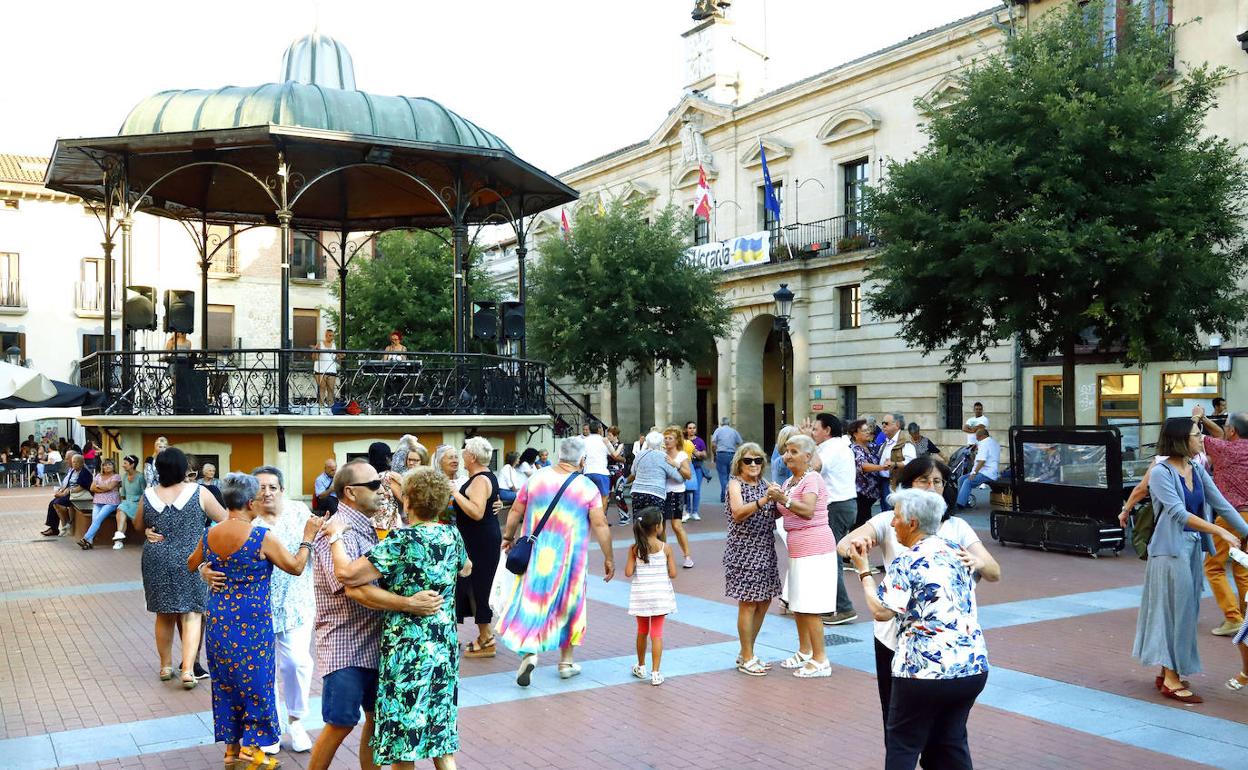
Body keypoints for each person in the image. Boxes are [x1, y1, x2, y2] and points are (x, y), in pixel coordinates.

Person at [839, 456, 1000, 731]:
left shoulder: (956, 527)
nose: (931, 487)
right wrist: (859, 541)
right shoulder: (893, 520)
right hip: (893, 638)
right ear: (908, 485)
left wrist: (979, 562)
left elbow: (994, 572)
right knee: (896, 720)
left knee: (942, 731)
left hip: (943, 643)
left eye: (937, 481)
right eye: (924, 481)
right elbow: (844, 545)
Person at [306, 459, 446, 770]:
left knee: (376, 721)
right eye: (373, 485)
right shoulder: (337, 531)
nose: (382, 491)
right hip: (346, 645)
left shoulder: (367, 527)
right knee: (341, 721)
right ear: (351, 492)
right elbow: (354, 588)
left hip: (376, 644)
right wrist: (410, 603)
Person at [188, 472, 322, 770]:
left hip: (220, 620)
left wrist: (207, 568)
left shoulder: (210, 533)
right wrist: (308, 538)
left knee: (227, 685)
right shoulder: (260, 536)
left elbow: (191, 562)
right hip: (253, 622)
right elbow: (296, 567)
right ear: (251, 503)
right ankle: (249, 754)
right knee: (257, 684)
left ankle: (231, 753)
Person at [851, 488, 991, 770]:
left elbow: (881, 612)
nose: (891, 523)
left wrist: (864, 571)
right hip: (970, 666)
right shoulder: (957, 552)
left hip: (922, 670)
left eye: (896, 517)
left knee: (903, 743)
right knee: (950, 742)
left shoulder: (907, 560)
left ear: (912, 523)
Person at [1130, 417, 1248, 704]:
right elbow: (1179, 514)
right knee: (1175, 614)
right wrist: (1219, 529)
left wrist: (1246, 532)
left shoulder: (1195, 467)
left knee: (1185, 612)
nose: (1201, 439)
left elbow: (1221, 503)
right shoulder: (1161, 473)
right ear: (1181, 439)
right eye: (1197, 435)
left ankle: (1168, 671)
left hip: (1192, 549)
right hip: (1169, 552)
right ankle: (1170, 677)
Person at [497, 436, 615, 686]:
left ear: (559, 455)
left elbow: (516, 510)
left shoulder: (536, 478)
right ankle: (566, 662)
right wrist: (608, 557)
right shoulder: (587, 487)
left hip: (537, 557)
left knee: (533, 602)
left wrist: (508, 537)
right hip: (571, 561)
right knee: (571, 604)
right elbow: (600, 523)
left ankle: (529, 654)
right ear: (582, 460)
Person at [135, 447, 227, 690]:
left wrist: (147, 530)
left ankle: (165, 666)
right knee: (192, 613)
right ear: (182, 469)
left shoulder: (148, 494)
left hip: (156, 557)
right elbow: (225, 519)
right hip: (191, 557)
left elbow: (138, 523)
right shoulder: (199, 492)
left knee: (163, 613)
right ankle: (187, 669)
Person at [766, 433, 838, 678]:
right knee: (798, 604)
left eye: (794, 451)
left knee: (811, 606)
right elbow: (779, 511)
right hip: (797, 549)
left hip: (815, 548)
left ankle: (821, 660)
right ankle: (805, 651)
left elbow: (807, 510)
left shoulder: (813, 479)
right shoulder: (789, 482)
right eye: (786, 451)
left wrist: (782, 499)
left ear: (808, 456)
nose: (787, 456)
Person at [723, 442, 781, 676]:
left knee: (765, 601)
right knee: (748, 603)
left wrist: (781, 498)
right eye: (748, 460)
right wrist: (765, 500)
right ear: (739, 463)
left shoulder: (765, 484)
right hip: (744, 550)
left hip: (766, 547)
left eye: (758, 460)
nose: (754, 464)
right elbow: (738, 513)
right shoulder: (735, 484)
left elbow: (776, 512)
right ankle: (747, 656)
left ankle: (747, 651)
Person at [1190, 407, 1248, 636]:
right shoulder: (1231, 446)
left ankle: (1232, 617)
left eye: (1226, 427)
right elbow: (1219, 436)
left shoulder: (1225, 450)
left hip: (1232, 515)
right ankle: (1245, 618)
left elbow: (1192, 435)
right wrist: (1207, 419)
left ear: (1232, 430)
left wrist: (1196, 417)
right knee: (1243, 568)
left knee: (1213, 566)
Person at [452, 437, 502, 659]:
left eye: (464, 451)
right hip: (478, 538)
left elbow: (477, 511)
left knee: (478, 586)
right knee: (472, 585)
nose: (461, 454)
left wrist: (454, 493)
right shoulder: (483, 476)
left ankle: (487, 638)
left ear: (471, 457)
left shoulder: (480, 479)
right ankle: (485, 635)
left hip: (480, 541)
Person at [812, 413, 858, 625]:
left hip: (836, 506)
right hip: (844, 505)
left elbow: (816, 467)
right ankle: (831, 605)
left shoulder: (832, 448)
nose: (812, 433)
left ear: (827, 430)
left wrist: (806, 444)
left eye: (815, 429)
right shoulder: (839, 446)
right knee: (830, 557)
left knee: (832, 559)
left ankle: (844, 607)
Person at [627, 507, 677, 686]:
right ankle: (656, 673)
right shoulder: (666, 548)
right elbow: (673, 573)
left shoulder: (635, 549)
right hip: (660, 595)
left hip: (642, 595)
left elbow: (627, 572)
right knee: (657, 633)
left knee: (642, 631)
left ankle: (641, 666)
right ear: (657, 527)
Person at [628, 431, 686, 521]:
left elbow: (633, 472)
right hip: (656, 493)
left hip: (637, 492)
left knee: (639, 522)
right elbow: (679, 478)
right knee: (654, 524)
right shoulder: (664, 457)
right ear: (660, 442)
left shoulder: (639, 455)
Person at [662, 426, 695, 568]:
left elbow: (688, 475)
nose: (667, 441)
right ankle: (662, 556)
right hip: (662, 493)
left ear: (676, 441)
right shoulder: (661, 453)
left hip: (676, 492)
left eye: (670, 438)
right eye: (666, 438)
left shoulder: (681, 455)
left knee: (676, 525)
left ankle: (687, 557)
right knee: (660, 527)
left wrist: (675, 464)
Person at [849, 419, 889, 527]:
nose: (868, 432)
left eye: (868, 430)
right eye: (864, 431)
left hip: (871, 493)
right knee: (861, 522)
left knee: (865, 520)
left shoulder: (871, 447)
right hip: (861, 494)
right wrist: (882, 467)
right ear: (855, 434)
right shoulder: (855, 449)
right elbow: (863, 466)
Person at [41, 452, 90, 537]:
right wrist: (61, 490)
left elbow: (82, 486)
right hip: (69, 492)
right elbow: (67, 482)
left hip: (76, 494)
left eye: (68, 459)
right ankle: (57, 527)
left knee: (57, 503)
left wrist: (65, 493)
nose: (66, 461)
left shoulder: (83, 470)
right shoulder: (72, 469)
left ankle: (66, 525)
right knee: (53, 503)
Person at [79, 458, 121, 549]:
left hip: (111, 502)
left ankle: (85, 538)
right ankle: (89, 542)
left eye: (109, 464)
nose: (107, 466)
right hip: (98, 502)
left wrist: (98, 487)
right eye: (105, 465)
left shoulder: (116, 476)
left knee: (98, 519)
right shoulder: (98, 475)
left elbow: (110, 487)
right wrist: (103, 488)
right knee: (95, 520)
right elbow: (91, 488)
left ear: (113, 466)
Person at [956, 426, 1000, 509]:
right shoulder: (994, 442)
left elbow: (982, 461)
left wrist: (974, 473)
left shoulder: (984, 443)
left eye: (977, 437)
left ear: (982, 436)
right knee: (961, 479)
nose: (977, 440)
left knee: (967, 481)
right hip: (990, 471)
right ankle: (964, 500)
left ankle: (960, 504)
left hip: (986, 472)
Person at [878, 413, 916, 509]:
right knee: (885, 512)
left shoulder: (905, 442)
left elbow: (912, 463)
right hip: (884, 482)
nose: (883, 426)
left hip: (897, 483)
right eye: (882, 423)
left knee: (894, 512)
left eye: (886, 423)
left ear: (897, 425)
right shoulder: (886, 442)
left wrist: (894, 464)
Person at [367, 441, 405, 535]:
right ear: (387, 457)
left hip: (370, 523)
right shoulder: (389, 477)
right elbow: (404, 499)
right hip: (388, 525)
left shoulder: (367, 476)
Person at [113, 455, 146, 550]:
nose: (123, 465)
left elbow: (144, 493)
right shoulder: (125, 476)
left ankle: (118, 539)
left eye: (125, 463)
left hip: (137, 503)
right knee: (121, 509)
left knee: (122, 509)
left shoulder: (140, 477)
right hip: (127, 502)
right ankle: (119, 539)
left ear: (132, 465)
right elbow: (123, 493)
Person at [581, 420, 612, 516]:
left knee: (587, 497)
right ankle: (601, 518)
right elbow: (612, 453)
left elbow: (581, 458)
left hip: (588, 472)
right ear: (599, 429)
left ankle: (587, 518)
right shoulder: (605, 441)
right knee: (604, 496)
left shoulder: (584, 441)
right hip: (601, 472)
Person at [711, 417, 744, 503]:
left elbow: (713, 444)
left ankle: (725, 496)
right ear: (729, 423)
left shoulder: (718, 430)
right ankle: (727, 495)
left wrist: (714, 454)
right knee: (731, 476)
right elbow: (740, 443)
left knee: (722, 476)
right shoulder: (734, 431)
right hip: (732, 454)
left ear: (721, 423)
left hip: (721, 454)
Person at [683, 421, 708, 521]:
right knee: (687, 490)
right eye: (690, 428)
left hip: (697, 468)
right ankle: (688, 511)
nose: (692, 430)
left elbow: (705, 455)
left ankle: (695, 511)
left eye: (694, 428)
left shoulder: (700, 441)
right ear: (686, 429)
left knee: (696, 490)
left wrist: (700, 453)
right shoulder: (683, 441)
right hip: (686, 468)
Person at [313, 328, 338, 410]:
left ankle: (331, 408)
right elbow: (314, 358)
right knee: (322, 388)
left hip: (332, 369)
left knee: (331, 389)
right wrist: (316, 350)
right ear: (326, 336)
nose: (332, 337)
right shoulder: (320, 344)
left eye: (333, 336)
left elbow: (336, 357)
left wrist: (340, 355)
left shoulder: (334, 345)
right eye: (330, 336)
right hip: (321, 370)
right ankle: (321, 407)